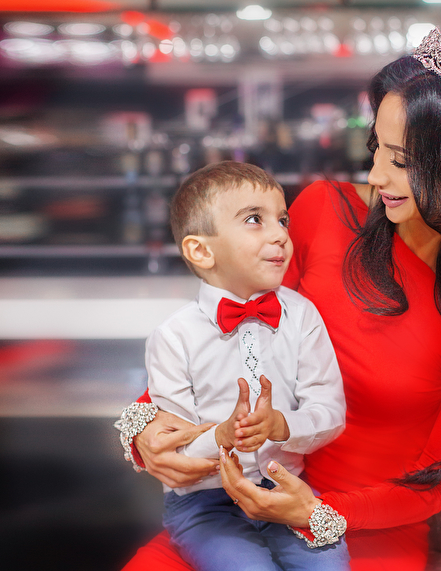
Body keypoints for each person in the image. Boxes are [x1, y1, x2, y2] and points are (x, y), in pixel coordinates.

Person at [117, 28, 441, 571]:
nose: (376, 175)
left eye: (402, 161)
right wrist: (145, 425)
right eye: (376, 148)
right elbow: (227, 326)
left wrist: (318, 513)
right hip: (235, 513)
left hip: (365, 529)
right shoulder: (324, 213)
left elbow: (438, 483)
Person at [117, 160, 349, 571]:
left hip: (286, 489)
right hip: (206, 503)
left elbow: (330, 412)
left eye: (282, 219)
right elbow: (176, 449)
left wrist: (282, 425)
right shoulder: (173, 337)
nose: (280, 234)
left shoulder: (303, 316)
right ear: (201, 251)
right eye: (255, 220)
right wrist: (222, 436)